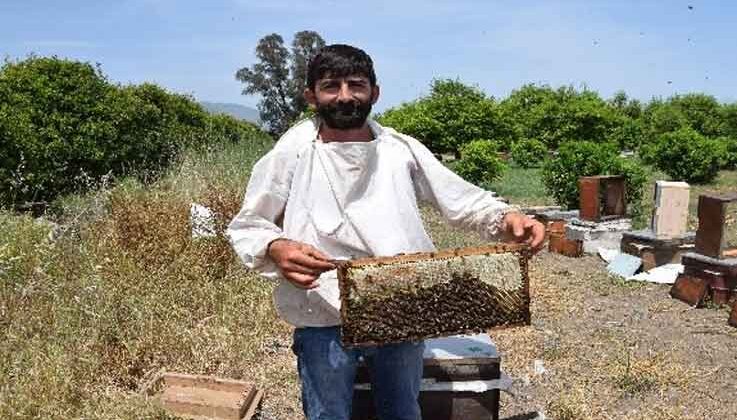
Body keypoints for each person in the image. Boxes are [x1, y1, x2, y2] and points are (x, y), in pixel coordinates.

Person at [227, 44, 545, 420]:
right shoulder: (292, 150)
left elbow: (461, 200)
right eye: (331, 86)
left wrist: (508, 218)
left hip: (401, 304)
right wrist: (276, 245)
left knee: (401, 412)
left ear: (374, 93)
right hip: (323, 312)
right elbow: (249, 224)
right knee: (328, 416)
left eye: (356, 85)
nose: (345, 97)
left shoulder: (400, 149)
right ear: (311, 95)